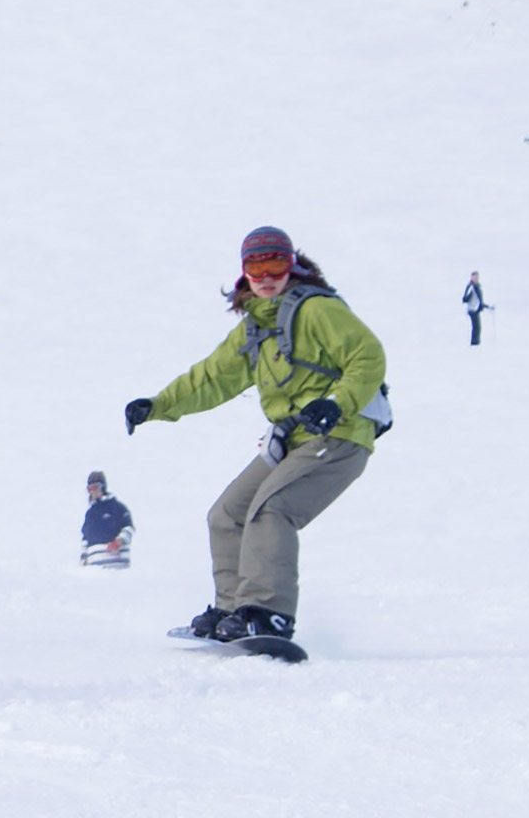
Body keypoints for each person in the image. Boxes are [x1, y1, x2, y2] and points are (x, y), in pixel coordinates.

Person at [124, 226, 386, 644]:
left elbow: (367, 355)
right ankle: (234, 611)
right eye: (256, 266)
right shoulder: (256, 328)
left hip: (340, 434)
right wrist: (158, 405)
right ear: (244, 272)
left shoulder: (317, 310)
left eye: (276, 264)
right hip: (294, 440)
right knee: (227, 514)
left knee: (271, 509)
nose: (266, 275)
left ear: (292, 265)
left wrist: (337, 401)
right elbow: (210, 378)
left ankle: (269, 613)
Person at [80, 470, 134, 568]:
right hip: (95, 569)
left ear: (103, 487)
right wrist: (83, 558)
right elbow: (85, 538)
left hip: (116, 567)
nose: (92, 491)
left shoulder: (117, 508)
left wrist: (119, 542)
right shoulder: (90, 513)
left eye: (95, 487)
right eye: (89, 489)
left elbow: (129, 528)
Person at [462, 271, 488, 346]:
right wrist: (469, 297)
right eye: (475, 277)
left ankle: (476, 343)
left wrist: (485, 306)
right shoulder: (471, 286)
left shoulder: (477, 286)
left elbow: (479, 299)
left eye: (477, 277)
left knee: (478, 327)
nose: (476, 278)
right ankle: (474, 343)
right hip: (472, 309)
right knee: (476, 327)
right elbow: (465, 299)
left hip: (476, 309)